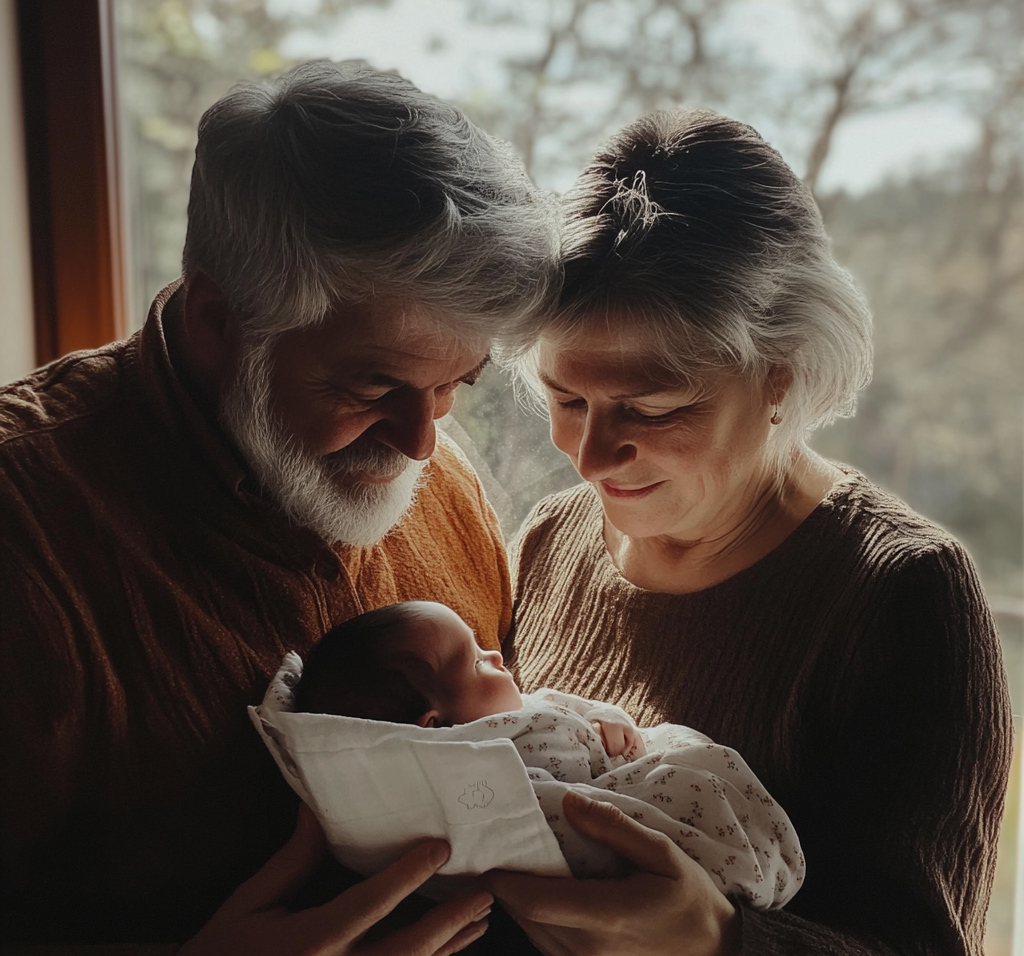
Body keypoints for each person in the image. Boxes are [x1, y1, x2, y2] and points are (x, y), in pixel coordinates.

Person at [0, 60, 559, 954]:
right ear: (221, 320)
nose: (422, 444)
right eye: (372, 385)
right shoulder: (25, 532)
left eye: (456, 385)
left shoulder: (442, 488)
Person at [496, 109, 1013, 955]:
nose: (590, 456)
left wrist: (718, 937)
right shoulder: (550, 542)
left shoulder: (902, 592)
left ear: (783, 377)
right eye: (566, 400)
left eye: (653, 407)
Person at [286, 600, 804, 909]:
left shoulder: (526, 708)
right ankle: (743, 864)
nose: (494, 654)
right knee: (693, 779)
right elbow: (554, 817)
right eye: (474, 663)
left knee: (683, 746)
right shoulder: (484, 762)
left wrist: (611, 720)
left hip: (621, 770)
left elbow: (570, 707)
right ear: (437, 726)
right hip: (609, 799)